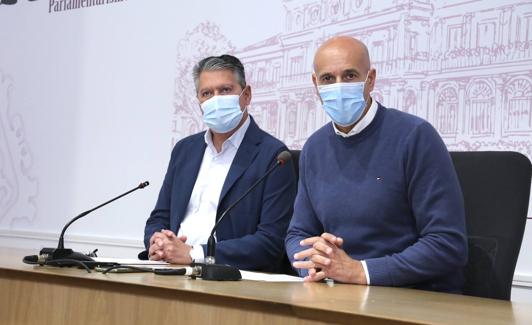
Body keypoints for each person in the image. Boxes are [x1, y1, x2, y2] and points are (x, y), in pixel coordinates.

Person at [285, 36, 468, 292]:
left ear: (370, 79)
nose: (338, 86)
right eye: (328, 79)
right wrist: (315, 263)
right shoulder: (314, 148)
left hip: (411, 297)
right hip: (338, 294)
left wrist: (361, 271)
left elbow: (447, 244)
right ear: (315, 85)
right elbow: (298, 235)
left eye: (349, 76)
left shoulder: (415, 136)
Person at [145, 54, 297, 272]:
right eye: (207, 93)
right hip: (171, 270)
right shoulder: (184, 150)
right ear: (198, 101)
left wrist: (194, 254)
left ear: (246, 95)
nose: (215, 99)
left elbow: (270, 243)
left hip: (227, 280)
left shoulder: (273, 156)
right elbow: (160, 217)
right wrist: (158, 243)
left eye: (225, 90)